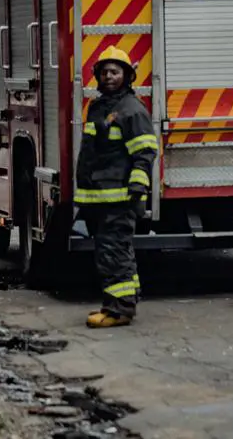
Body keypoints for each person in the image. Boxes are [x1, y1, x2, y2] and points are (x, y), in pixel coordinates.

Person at [75, 46, 157, 328]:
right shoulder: (99, 107)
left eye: (115, 71)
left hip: (119, 197)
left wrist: (137, 184)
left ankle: (118, 311)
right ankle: (127, 300)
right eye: (105, 72)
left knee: (113, 252)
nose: (109, 76)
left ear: (127, 76)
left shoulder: (131, 110)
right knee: (115, 250)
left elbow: (145, 151)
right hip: (99, 197)